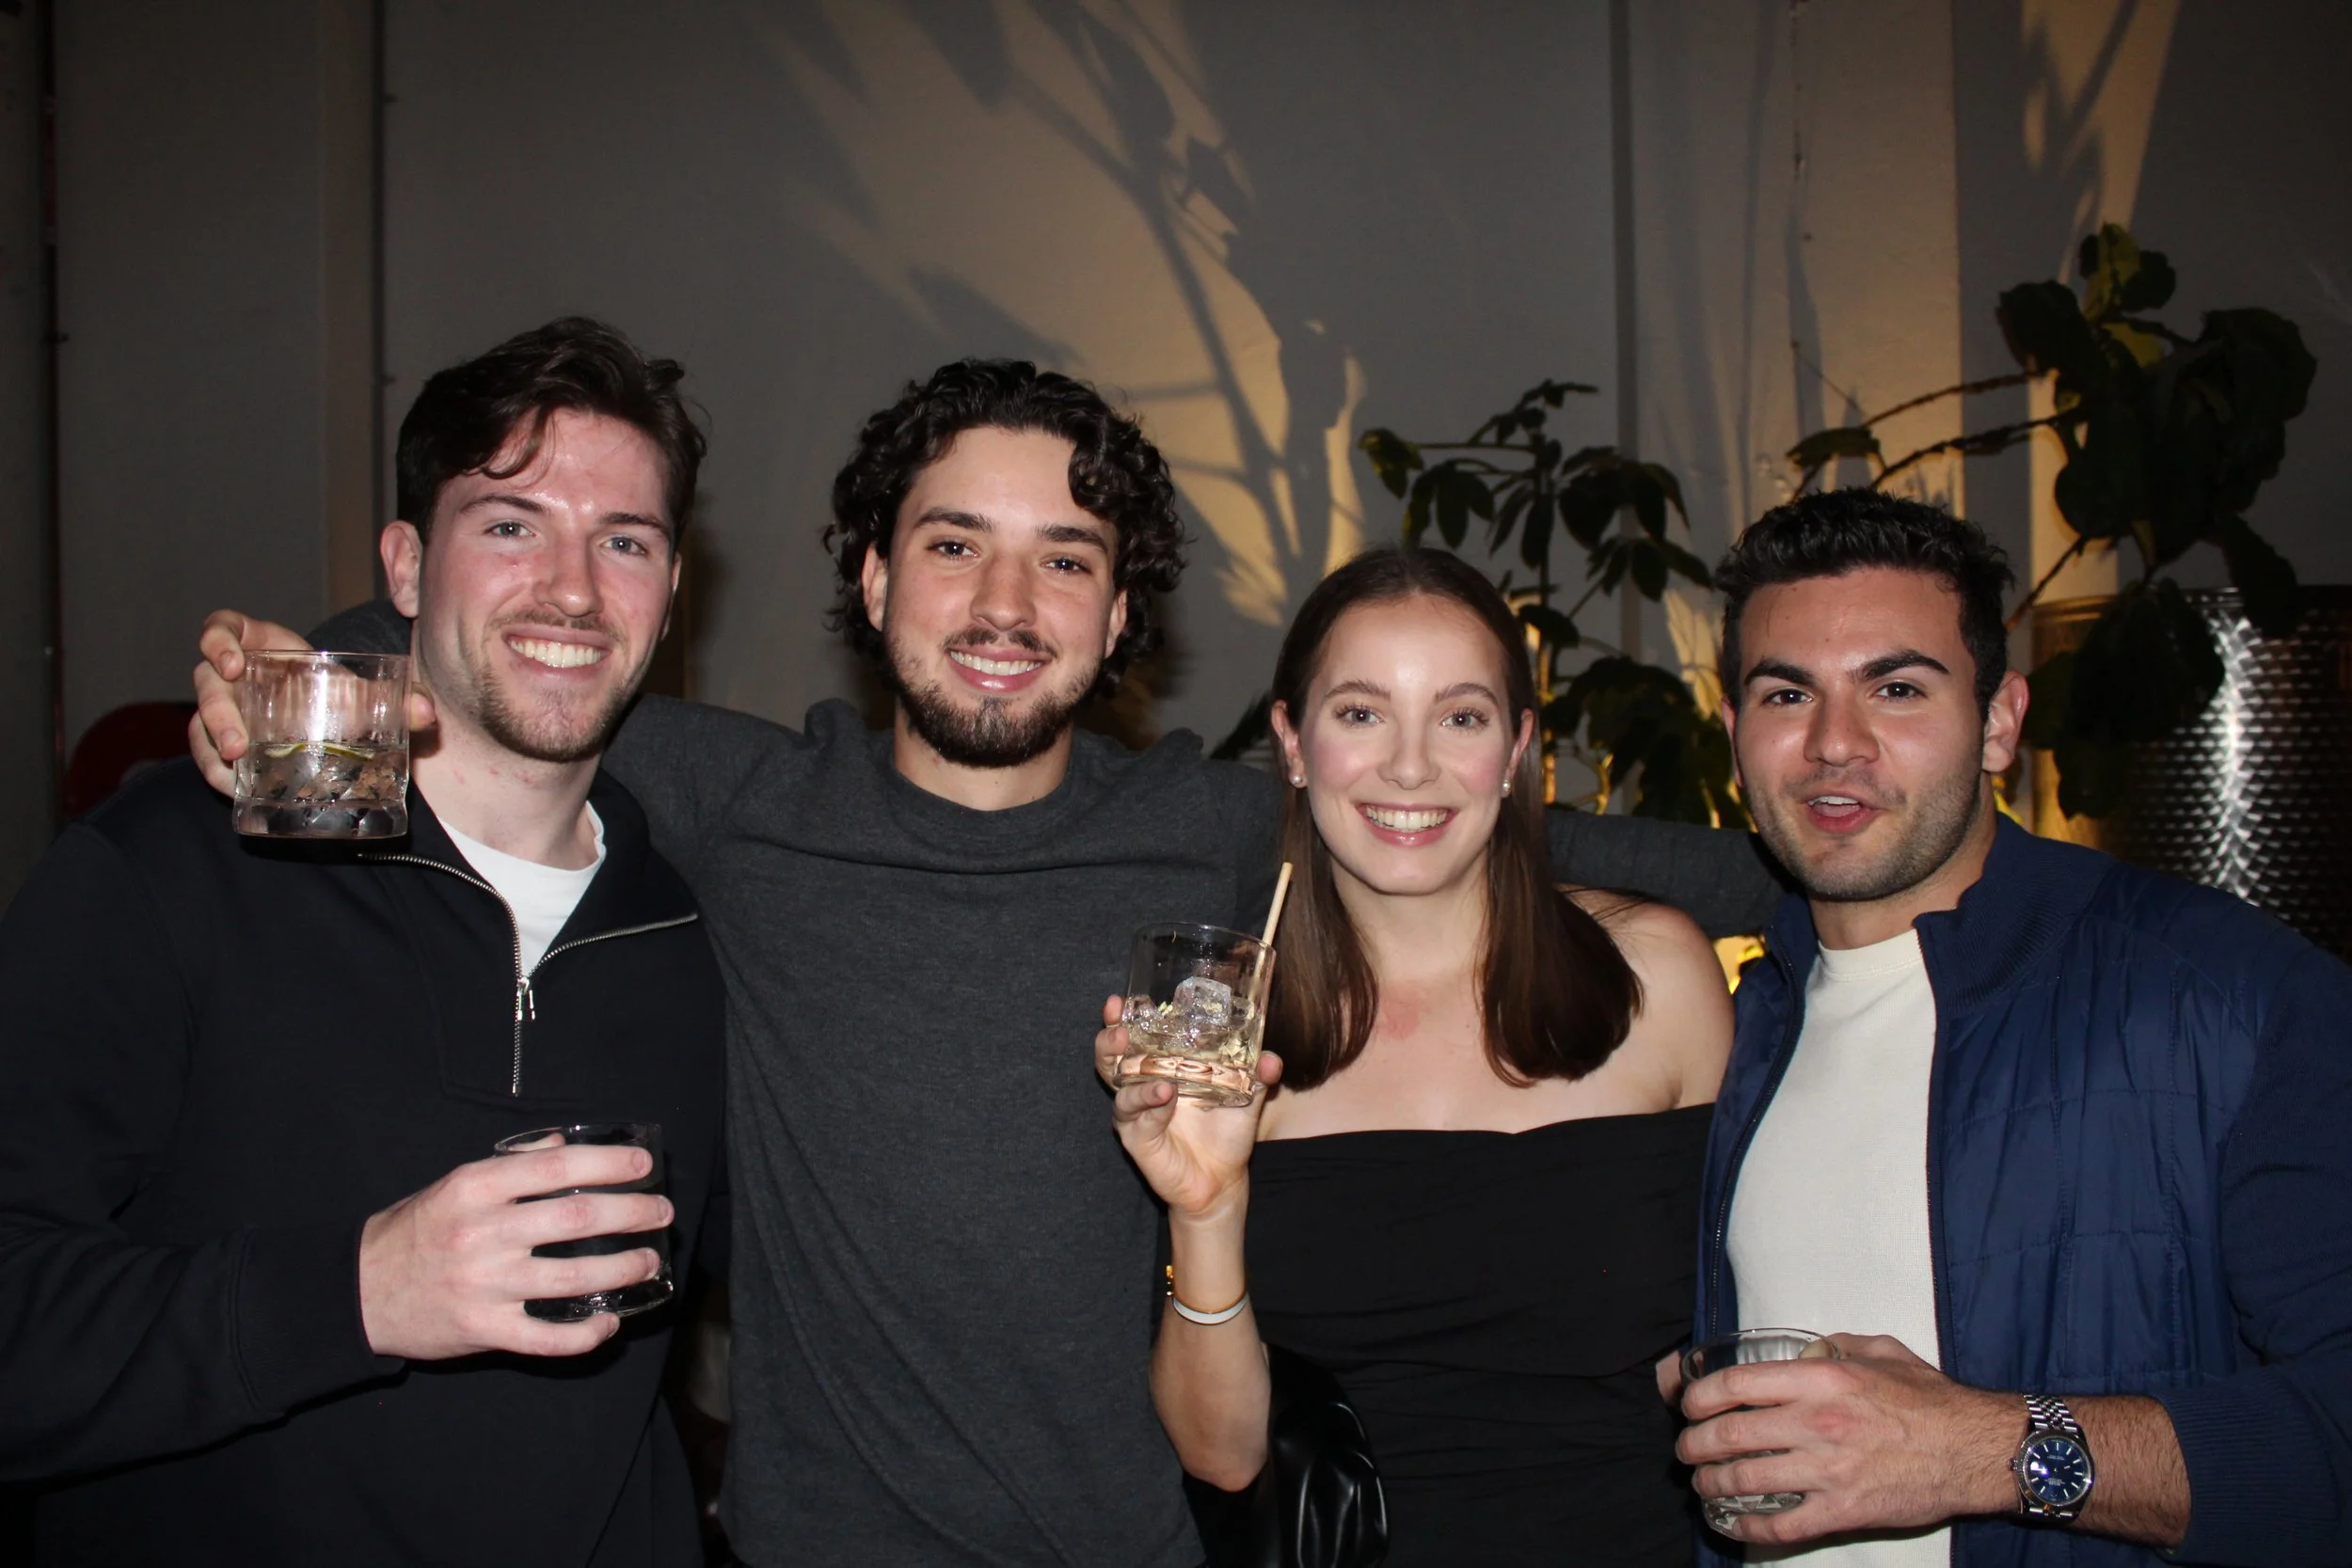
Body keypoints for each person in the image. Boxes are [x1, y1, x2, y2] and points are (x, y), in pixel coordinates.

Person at [191, 359, 1787, 1567]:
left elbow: (1511, 828)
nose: (1007, 605)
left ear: (1119, 621)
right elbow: (524, 647)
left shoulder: (1213, 829)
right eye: (955, 545)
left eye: (1069, 559)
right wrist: (316, 660)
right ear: (875, 582)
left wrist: (1856, 875)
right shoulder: (741, 803)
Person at [0, 318, 727, 1564]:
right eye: (509, 523)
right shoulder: (180, 862)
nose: (570, 587)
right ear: (404, 563)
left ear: (669, 595)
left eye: (625, 540)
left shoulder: (691, 939)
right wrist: (360, 1291)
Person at [1678, 488, 2352, 1567]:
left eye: (1895, 687)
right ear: (1733, 734)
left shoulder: (2226, 996)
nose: (1832, 743)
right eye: (1785, 693)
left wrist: (1988, 1450)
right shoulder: (1745, 1019)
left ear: (1997, 721)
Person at [1104, 546, 1735, 1565]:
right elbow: (1220, 1457)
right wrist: (1206, 1205)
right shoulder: (1220, 1033)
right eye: (1359, 712)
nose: (1409, 766)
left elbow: (1715, 1343)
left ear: (1518, 747)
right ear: (1292, 742)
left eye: (1461, 715)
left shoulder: (1659, 976)